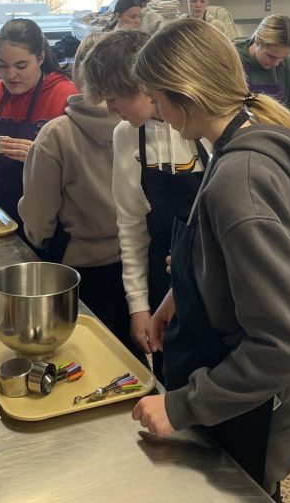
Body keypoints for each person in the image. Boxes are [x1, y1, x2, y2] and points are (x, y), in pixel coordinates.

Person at [129, 19, 290, 503]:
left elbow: (283, 344)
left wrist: (182, 407)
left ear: (187, 95)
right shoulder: (231, 147)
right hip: (227, 394)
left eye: (157, 100)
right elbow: (232, 261)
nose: (157, 114)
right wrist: (180, 295)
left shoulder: (240, 180)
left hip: (247, 409)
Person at [85, 28, 208, 361]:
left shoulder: (206, 128)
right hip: (160, 277)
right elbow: (130, 225)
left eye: (113, 98)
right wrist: (137, 305)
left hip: (215, 280)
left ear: (141, 84)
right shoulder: (126, 136)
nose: (110, 109)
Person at [19, 34, 132, 350]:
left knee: (79, 357)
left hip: (77, 273)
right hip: (136, 270)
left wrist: (44, 242)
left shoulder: (56, 135)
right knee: (127, 359)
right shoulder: (145, 124)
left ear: (75, 75)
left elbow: (38, 220)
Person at [0, 18, 77, 227]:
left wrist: (44, 160)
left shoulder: (67, 97)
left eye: (21, 66)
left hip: (51, 222)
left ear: (41, 57)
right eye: (2, 65)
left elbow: (85, 169)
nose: (10, 75)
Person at [237, 14, 290, 127]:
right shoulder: (233, 62)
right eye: (271, 56)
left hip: (277, 138)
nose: (276, 63)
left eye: (283, 57)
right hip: (238, 138)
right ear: (258, 42)